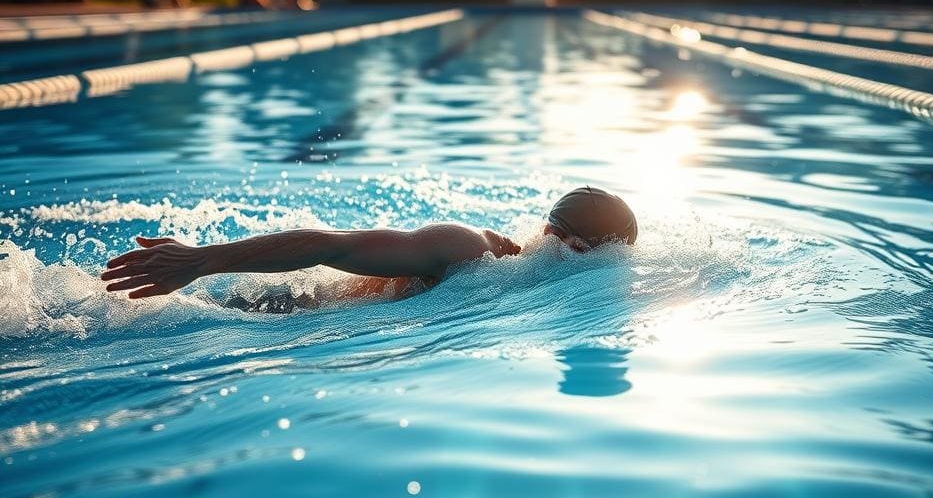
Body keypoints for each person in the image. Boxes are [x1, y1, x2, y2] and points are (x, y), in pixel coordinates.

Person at [100, 186, 638, 312]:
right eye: (596, 256)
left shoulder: (516, 283)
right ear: (562, 241)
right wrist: (202, 259)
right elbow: (325, 244)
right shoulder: (469, 248)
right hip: (280, 310)